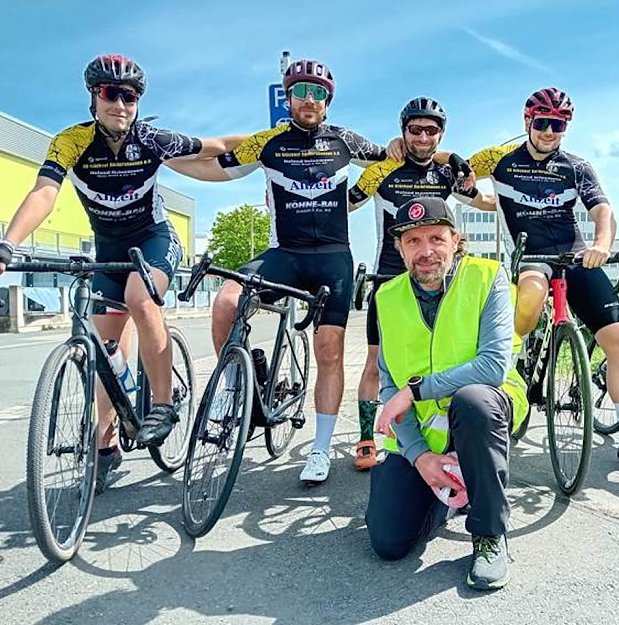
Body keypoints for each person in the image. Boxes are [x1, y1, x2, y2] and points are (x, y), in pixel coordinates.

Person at [0, 54, 244, 493]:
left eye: (129, 96)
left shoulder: (150, 139)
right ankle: (106, 444)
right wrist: (8, 244)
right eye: (111, 94)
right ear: (94, 97)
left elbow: (217, 145)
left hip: (153, 239)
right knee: (104, 351)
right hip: (108, 249)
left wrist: (272, 141)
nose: (121, 104)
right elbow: (44, 193)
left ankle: (164, 405)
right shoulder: (71, 142)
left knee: (140, 297)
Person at [167, 59, 394, 484]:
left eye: (319, 93)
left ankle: (321, 449)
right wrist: (160, 160)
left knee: (329, 350)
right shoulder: (268, 143)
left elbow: (397, 155)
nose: (310, 100)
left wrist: (433, 152)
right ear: (288, 97)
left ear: (328, 101)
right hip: (283, 254)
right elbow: (214, 168)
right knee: (225, 303)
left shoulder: (346, 140)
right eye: (301, 92)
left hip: (332, 258)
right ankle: (240, 384)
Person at [465, 88, 619, 471]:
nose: (549, 132)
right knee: (531, 297)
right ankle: (514, 365)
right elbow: (453, 167)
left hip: (575, 255)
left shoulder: (576, 166)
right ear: (527, 122)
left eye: (558, 125)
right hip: (532, 257)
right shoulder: (501, 160)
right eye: (542, 123)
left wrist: (602, 243)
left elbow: (602, 210)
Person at [368, 197, 528, 590]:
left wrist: (415, 390)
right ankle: (450, 489)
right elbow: (388, 383)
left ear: (456, 240)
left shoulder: (488, 277)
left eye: (437, 238)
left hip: (486, 409)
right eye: (413, 241)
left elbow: (492, 366)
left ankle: (490, 532)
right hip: (428, 430)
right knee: (387, 542)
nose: (426, 252)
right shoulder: (387, 296)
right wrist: (419, 456)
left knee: (473, 400)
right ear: (399, 248)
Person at [347, 96, 495, 471]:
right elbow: (348, 203)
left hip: (436, 278)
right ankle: (367, 436)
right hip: (391, 274)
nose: (423, 137)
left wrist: (462, 167)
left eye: (432, 130)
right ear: (403, 131)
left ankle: (433, 431)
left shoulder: (447, 174)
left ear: (440, 134)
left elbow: (486, 204)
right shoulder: (385, 168)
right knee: (376, 363)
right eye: (416, 129)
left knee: (439, 356)